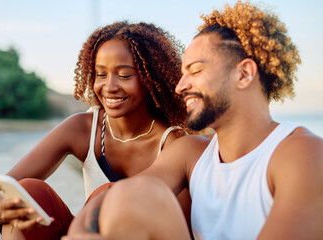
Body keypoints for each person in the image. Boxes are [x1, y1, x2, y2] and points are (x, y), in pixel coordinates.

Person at [64, 1, 323, 239]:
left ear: (244, 74)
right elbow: (117, 196)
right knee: (134, 196)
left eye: (196, 71)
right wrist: (81, 232)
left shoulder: (301, 153)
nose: (180, 86)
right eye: (182, 73)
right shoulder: (192, 152)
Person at [0, 21, 193, 239]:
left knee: (107, 195)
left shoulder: (173, 144)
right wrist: (2, 207)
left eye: (125, 75)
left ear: (152, 79)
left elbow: (179, 231)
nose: (109, 87)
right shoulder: (83, 128)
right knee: (29, 193)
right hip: (83, 234)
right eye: (101, 74)